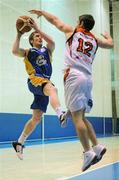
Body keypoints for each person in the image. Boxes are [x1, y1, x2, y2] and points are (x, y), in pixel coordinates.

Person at [29, 10, 113, 171]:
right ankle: (97, 146)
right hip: (88, 79)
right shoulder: (95, 39)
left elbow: (54, 19)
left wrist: (41, 12)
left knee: (77, 118)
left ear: (81, 23)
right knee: (81, 115)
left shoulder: (72, 32)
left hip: (74, 76)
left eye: (77, 21)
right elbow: (110, 44)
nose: (75, 23)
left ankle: (88, 152)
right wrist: (108, 36)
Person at [12, 18, 67, 160]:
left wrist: (37, 28)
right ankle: (61, 113)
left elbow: (53, 42)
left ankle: (19, 142)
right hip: (35, 80)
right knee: (53, 90)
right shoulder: (28, 52)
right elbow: (14, 51)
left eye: (40, 36)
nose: (39, 37)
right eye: (36, 36)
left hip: (44, 83)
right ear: (31, 40)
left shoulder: (47, 51)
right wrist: (18, 34)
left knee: (36, 118)